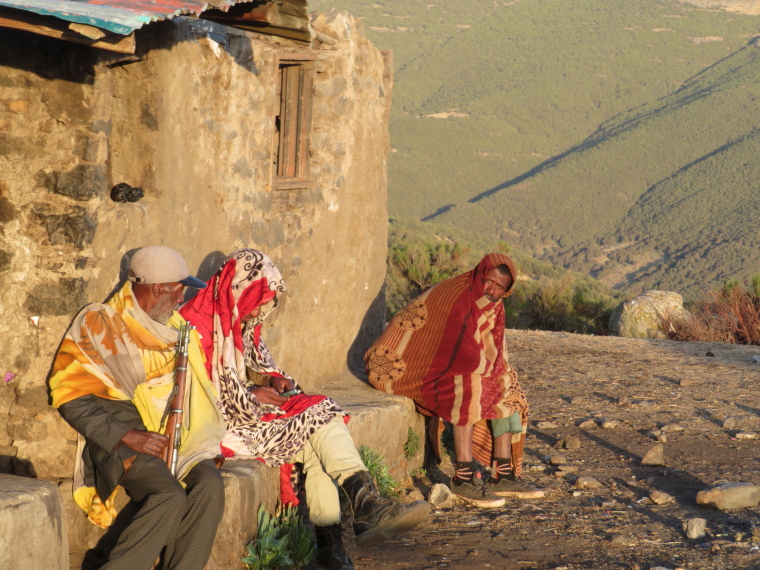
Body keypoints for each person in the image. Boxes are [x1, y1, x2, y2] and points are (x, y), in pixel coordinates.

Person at [179, 248, 430, 570]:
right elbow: (194, 391)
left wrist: (273, 379)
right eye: (259, 299)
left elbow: (258, 363)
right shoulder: (195, 324)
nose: (260, 311)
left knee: (316, 437)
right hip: (216, 423)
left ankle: (333, 549)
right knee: (322, 414)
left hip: (246, 411)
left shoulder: (237, 319)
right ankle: (358, 515)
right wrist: (253, 392)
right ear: (242, 288)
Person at [49, 246, 227, 569]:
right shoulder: (100, 324)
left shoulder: (175, 327)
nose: (181, 297)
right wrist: (129, 436)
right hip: (120, 439)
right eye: (179, 289)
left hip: (174, 439)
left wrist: (201, 440)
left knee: (210, 487)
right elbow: (67, 395)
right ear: (158, 288)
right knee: (167, 496)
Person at [365, 253, 544, 507]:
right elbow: (450, 345)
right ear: (481, 274)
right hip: (409, 363)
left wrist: (495, 370)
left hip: (453, 360)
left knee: (506, 383)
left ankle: (501, 474)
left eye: (500, 287)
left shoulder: (494, 304)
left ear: (507, 291)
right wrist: (484, 369)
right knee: (468, 385)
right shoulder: (457, 294)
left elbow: (490, 346)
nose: (492, 290)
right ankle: (463, 476)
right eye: (490, 282)